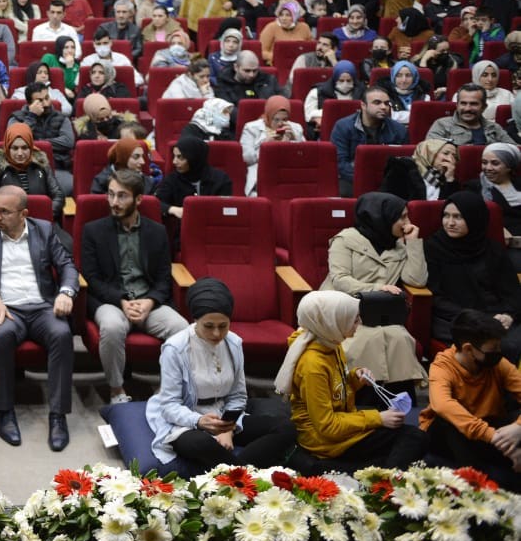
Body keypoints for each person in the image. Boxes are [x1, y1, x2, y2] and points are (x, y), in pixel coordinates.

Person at [0, 185, 78, 451]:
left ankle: (58, 416)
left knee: (62, 335)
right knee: (3, 335)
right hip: (7, 309)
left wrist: (66, 292)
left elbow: (67, 266)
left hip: (42, 308)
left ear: (23, 213)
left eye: (4, 211)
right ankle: (5, 412)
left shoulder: (44, 230)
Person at [146, 279, 297, 473]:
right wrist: (198, 421)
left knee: (287, 428)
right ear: (195, 320)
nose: (217, 333)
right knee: (198, 443)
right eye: (208, 326)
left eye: (223, 326)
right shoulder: (175, 348)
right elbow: (169, 406)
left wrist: (227, 429)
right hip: (186, 418)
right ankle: (242, 473)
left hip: (224, 417)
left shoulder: (234, 343)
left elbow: (238, 395)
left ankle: (236, 473)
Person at [276, 291, 428, 474]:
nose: (360, 324)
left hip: (340, 424)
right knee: (413, 437)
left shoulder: (331, 342)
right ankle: (380, 480)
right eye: (354, 320)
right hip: (325, 443)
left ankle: (360, 469)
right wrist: (378, 419)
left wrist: (356, 378)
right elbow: (327, 426)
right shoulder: (313, 365)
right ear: (333, 321)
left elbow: (337, 387)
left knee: (402, 435)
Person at [81, 169, 187, 403]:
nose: (114, 202)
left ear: (139, 199)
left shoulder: (157, 232)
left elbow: (163, 278)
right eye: (110, 195)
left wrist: (149, 302)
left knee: (182, 328)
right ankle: (117, 390)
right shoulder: (94, 231)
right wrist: (122, 301)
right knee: (111, 327)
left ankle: (166, 391)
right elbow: (92, 278)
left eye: (122, 196)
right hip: (112, 301)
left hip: (148, 300)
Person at [323, 193, 428, 391]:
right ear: (382, 217)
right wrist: (377, 289)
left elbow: (416, 280)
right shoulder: (346, 239)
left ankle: (398, 402)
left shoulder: (399, 247)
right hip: (344, 309)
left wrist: (413, 243)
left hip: (379, 313)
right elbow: (340, 280)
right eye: (403, 217)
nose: (408, 222)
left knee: (400, 338)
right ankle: (359, 397)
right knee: (365, 339)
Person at [419, 310, 521, 490]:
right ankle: (479, 485)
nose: (498, 352)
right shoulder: (442, 366)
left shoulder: (498, 364)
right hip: (451, 435)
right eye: (493, 349)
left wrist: (518, 427)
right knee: (448, 421)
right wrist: (494, 437)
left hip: (486, 429)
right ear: (468, 349)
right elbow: (443, 406)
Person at [425, 192, 521, 361]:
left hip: (498, 316)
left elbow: (512, 293)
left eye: (458, 217)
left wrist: (508, 315)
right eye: (446, 216)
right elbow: (437, 298)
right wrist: (480, 318)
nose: (450, 223)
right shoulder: (433, 248)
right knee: (502, 345)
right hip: (458, 319)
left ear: (474, 218)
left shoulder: (492, 249)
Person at [331, 85, 408, 196]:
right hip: (353, 179)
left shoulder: (398, 130)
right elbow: (341, 163)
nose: (383, 107)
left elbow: (404, 163)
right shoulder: (343, 126)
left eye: (387, 103)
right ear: (363, 105)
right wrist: (365, 180)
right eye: (377, 103)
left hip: (388, 181)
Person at [239, 94, 305, 195]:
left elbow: (305, 157)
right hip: (262, 174)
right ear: (268, 116)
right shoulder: (251, 128)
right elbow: (247, 158)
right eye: (276, 119)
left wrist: (294, 141)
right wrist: (265, 147)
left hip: (289, 174)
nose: (280, 124)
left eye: (285, 119)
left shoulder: (296, 129)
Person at [381, 139, 468, 202]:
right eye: (445, 153)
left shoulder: (448, 178)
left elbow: (451, 206)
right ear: (429, 152)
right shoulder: (401, 169)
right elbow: (392, 203)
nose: (450, 159)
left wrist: (450, 179)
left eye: (454, 157)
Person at [479, 142, 521, 267]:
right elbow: (474, 217)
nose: (488, 168)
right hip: (504, 244)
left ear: (509, 166)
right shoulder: (474, 187)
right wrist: (497, 229)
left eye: (495, 163)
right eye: (484, 162)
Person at [427, 83, 510, 145]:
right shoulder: (442, 125)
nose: (467, 108)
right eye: (463, 103)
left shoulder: (494, 128)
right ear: (457, 105)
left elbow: (515, 150)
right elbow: (430, 150)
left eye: (474, 104)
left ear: (484, 107)